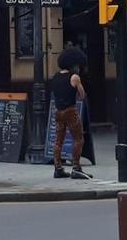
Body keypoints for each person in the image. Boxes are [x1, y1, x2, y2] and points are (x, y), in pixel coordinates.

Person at [48, 47, 92, 179]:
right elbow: (82, 94)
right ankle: (76, 167)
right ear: (74, 64)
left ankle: (58, 168)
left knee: (58, 140)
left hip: (58, 112)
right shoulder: (74, 77)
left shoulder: (55, 77)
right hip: (70, 111)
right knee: (78, 138)